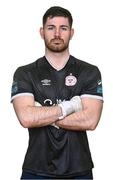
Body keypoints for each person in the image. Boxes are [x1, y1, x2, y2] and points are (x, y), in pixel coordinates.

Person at [11, 6, 103, 179]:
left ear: (72, 32)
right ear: (41, 32)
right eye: (51, 27)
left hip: (79, 169)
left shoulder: (89, 72)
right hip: (36, 170)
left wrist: (43, 115)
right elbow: (26, 118)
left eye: (63, 28)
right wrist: (70, 106)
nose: (57, 34)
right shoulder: (25, 73)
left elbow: (91, 120)